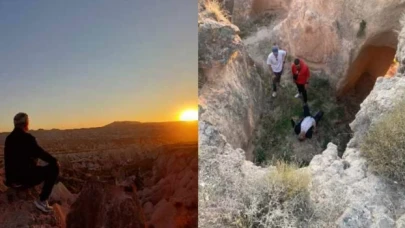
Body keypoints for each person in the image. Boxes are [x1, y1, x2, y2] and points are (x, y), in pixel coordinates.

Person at [4, 112, 60, 213]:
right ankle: (42, 201)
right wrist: (54, 161)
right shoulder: (27, 138)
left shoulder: (9, 138)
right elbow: (41, 153)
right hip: (23, 179)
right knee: (54, 168)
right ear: (26, 123)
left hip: (12, 181)